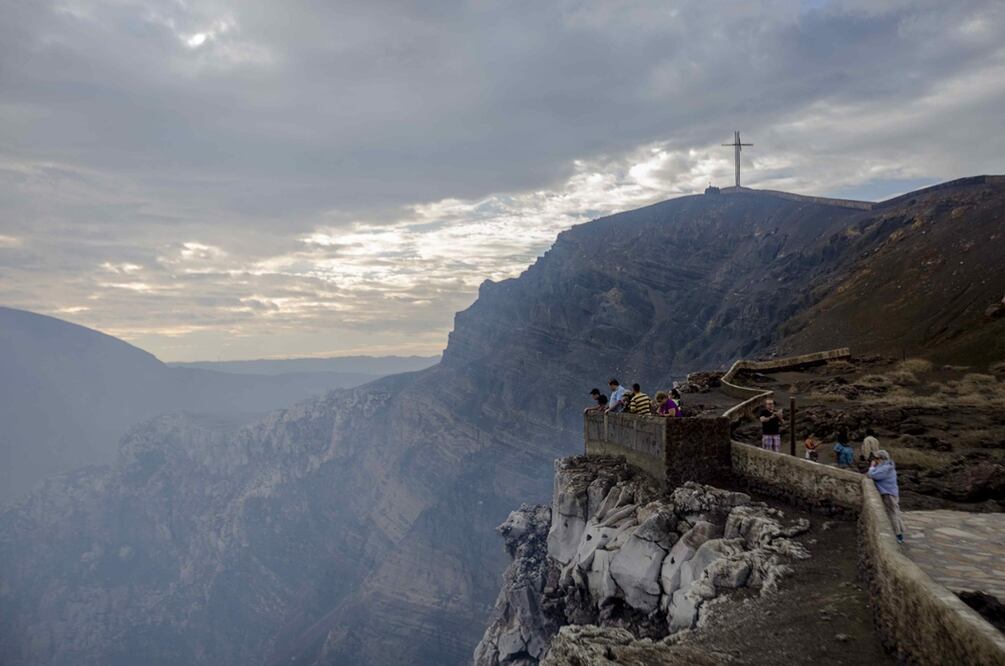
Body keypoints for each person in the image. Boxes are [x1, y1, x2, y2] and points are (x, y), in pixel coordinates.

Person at [868, 450, 905, 544]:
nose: (875, 460)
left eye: (876, 458)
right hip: (891, 492)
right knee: (895, 512)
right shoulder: (886, 466)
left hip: (888, 493)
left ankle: (898, 535)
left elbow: (872, 475)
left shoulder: (885, 468)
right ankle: (900, 532)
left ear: (881, 459)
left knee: (892, 513)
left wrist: (872, 467)